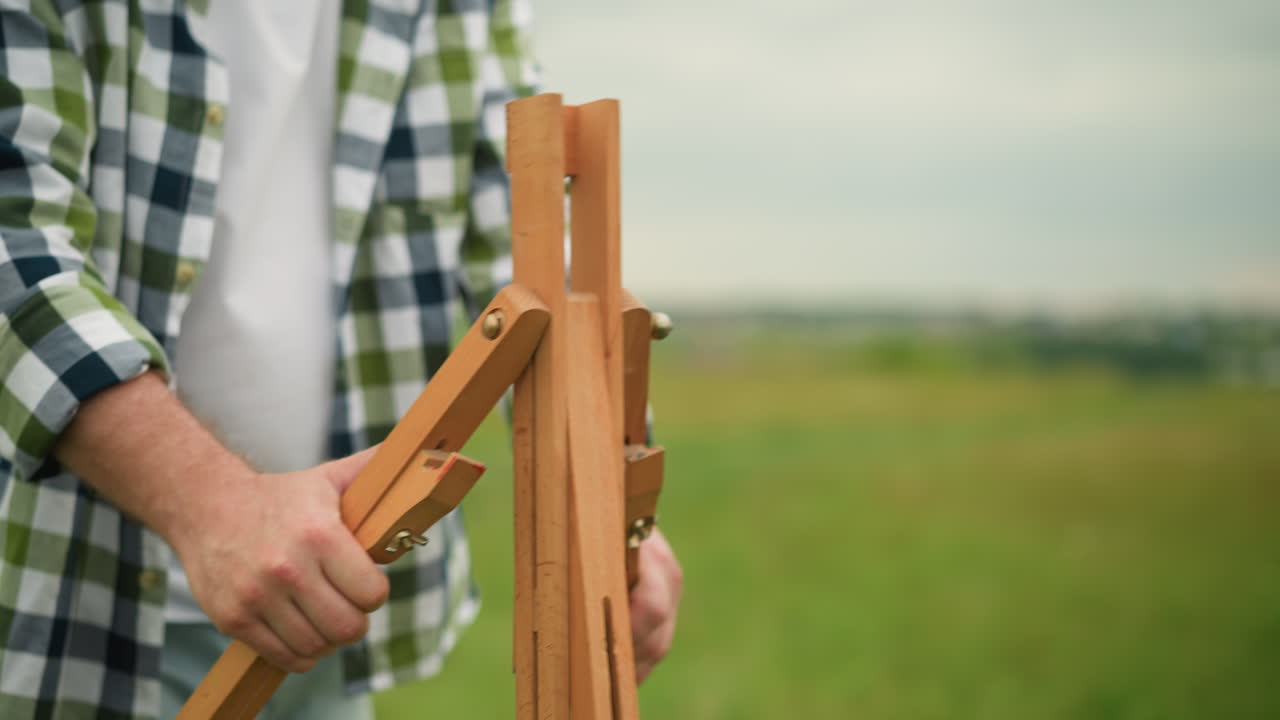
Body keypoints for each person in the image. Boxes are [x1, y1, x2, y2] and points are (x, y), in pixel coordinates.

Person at [0, 1, 682, 718]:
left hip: (334, 598)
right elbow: (14, 241)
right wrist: (215, 507)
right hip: (55, 601)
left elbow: (527, 226)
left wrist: (613, 498)